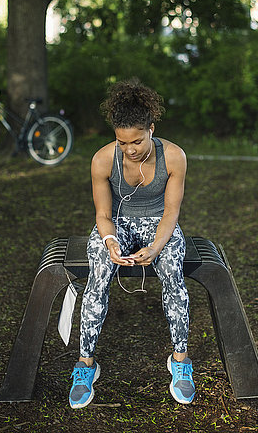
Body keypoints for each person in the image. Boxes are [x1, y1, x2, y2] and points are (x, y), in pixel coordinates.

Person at [68, 78, 195, 409]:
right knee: (98, 271)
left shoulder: (176, 157)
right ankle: (85, 365)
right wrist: (110, 242)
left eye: (137, 141)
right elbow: (102, 215)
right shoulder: (101, 160)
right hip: (118, 225)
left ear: (152, 128)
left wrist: (154, 248)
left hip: (160, 226)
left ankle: (180, 360)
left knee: (172, 272)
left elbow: (171, 214)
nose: (130, 149)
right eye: (122, 142)